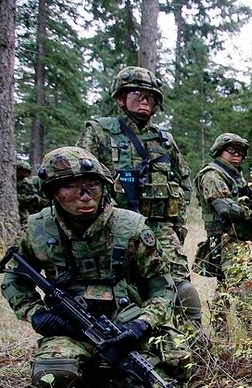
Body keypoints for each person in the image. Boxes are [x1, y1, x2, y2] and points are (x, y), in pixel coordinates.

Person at [1, 147, 190, 388]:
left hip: (127, 327)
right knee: (54, 375)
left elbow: (162, 286)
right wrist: (37, 314)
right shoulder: (38, 230)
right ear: (53, 193)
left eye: (92, 185)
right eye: (71, 187)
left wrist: (141, 323)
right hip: (72, 331)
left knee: (176, 365)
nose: (85, 196)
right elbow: (14, 279)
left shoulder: (131, 227)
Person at [77, 66, 202, 330]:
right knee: (119, 287)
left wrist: (177, 224)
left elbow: (184, 180)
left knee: (180, 284)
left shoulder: (165, 140)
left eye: (151, 96)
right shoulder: (99, 132)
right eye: (137, 93)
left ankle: (194, 343)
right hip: (114, 226)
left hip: (160, 226)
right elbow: (79, 180)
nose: (146, 99)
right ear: (121, 98)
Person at [194, 133, 252, 324]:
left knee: (225, 288)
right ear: (219, 151)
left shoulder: (235, 177)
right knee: (244, 288)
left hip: (235, 239)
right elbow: (224, 208)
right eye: (230, 150)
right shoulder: (212, 175)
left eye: (240, 151)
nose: (236, 154)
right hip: (225, 240)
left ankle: (221, 334)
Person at [16, 160, 46, 226]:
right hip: (21, 208)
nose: (24, 173)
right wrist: (30, 198)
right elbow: (13, 198)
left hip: (31, 207)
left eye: (26, 171)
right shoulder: (14, 182)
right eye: (23, 171)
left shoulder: (28, 181)